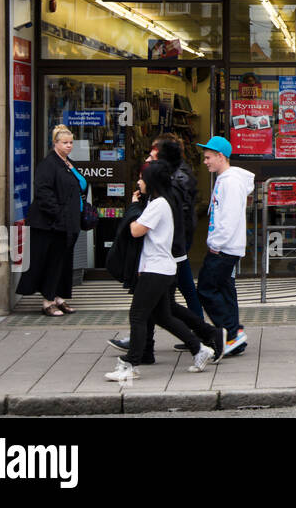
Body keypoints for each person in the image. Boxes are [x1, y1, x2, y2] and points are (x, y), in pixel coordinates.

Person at [105, 160, 216, 382]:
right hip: (161, 268)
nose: (138, 181)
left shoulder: (158, 205)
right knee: (163, 316)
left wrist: (134, 206)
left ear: (151, 181)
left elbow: (136, 230)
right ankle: (199, 349)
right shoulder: (159, 202)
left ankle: (130, 364)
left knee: (137, 315)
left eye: (141, 178)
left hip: (155, 269)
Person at [17, 125, 87, 317]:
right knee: (52, 261)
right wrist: (60, 215)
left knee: (63, 262)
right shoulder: (48, 165)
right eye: (64, 143)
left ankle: (58, 297)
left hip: (68, 222)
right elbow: (43, 193)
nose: (69, 146)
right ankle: (47, 301)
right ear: (55, 143)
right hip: (51, 224)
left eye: (71, 142)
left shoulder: (68, 163)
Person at [197, 135, 255, 357]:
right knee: (225, 290)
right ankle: (235, 335)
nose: (205, 162)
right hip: (227, 247)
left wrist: (216, 245)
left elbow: (228, 218)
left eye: (208, 157)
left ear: (221, 156)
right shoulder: (225, 179)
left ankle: (231, 333)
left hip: (223, 249)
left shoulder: (230, 182)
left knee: (205, 288)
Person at [154, 134, 202, 320]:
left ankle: (200, 332)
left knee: (182, 287)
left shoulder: (178, 177)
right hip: (177, 241)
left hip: (175, 241)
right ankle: (198, 331)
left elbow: (178, 213)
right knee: (178, 288)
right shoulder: (176, 173)